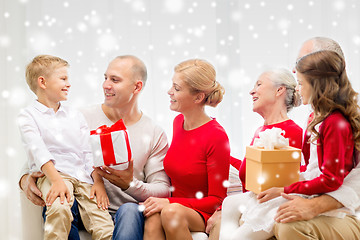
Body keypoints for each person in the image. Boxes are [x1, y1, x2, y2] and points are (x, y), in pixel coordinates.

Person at [19, 55, 171, 240]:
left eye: (114, 80)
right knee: (62, 202)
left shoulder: (154, 133)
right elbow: (38, 154)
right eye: (105, 77)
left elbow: (162, 189)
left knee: (130, 211)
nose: (105, 85)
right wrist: (25, 180)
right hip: (78, 200)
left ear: (137, 87)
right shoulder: (78, 116)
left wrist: (129, 184)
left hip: (122, 211)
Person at [17, 55, 114, 239]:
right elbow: (38, 150)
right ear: (42, 82)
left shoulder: (75, 115)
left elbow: (87, 152)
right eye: (63, 79)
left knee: (103, 224)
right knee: (59, 208)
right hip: (54, 174)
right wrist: (56, 181)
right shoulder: (28, 116)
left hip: (83, 178)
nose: (68, 84)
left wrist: (98, 182)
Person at [274, 37, 360, 240]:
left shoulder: (339, 122)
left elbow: (333, 178)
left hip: (349, 210)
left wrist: (314, 205)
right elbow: (313, 169)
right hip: (322, 195)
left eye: (302, 62)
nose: (294, 71)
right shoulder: (316, 117)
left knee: (285, 225)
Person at [141, 59, 230, 240]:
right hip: (173, 207)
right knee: (152, 217)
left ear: (198, 98)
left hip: (200, 212)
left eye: (177, 88)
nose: (169, 92)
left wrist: (169, 202)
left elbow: (216, 200)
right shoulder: (178, 123)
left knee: (171, 213)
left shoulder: (216, 136)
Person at [214, 68, 302, 240]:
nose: (251, 91)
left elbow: (301, 176)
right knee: (228, 204)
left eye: (259, 84)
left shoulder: (294, 132)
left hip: (272, 205)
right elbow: (252, 170)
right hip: (252, 201)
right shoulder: (261, 131)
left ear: (279, 90)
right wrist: (219, 155)